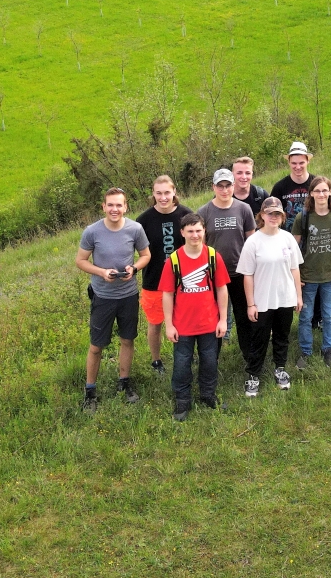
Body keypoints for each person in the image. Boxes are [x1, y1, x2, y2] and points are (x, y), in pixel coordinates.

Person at [75, 187, 151, 414]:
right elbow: (80, 260)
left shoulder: (135, 229)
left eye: (119, 205)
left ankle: (124, 383)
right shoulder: (92, 232)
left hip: (128, 295)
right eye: (111, 205)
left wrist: (134, 268)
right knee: (96, 345)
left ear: (126, 206)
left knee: (127, 340)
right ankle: (90, 392)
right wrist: (101, 272)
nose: (115, 209)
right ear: (104, 207)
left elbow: (146, 255)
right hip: (103, 296)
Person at [159, 213, 229, 421]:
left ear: (204, 231)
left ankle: (208, 395)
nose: (195, 235)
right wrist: (169, 325)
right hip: (183, 326)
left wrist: (223, 319)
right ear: (182, 233)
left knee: (209, 361)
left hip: (209, 323)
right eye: (190, 231)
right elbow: (167, 294)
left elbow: (222, 289)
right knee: (182, 363)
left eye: (198, 230)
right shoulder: (174, 260)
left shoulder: (213, 256)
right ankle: (182, 400)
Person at [235, 197, 304, 396]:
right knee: (259, 339)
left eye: (277, 214)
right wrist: (251, 304)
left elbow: (295, 269)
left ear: (282, 217)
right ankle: (253, 375)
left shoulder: (287, 238)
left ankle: (280, 369)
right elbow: (247, 275)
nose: (273, 217)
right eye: (269, 213)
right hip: (262, 300)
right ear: (262, 215)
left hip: (285, 297)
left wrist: (298, 296)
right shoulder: (253, 241)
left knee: (282, 337)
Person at [135, 176, 193, 375]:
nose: (163, 197)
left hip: (183, 281)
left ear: (174, 192)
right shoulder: (143, 220)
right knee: (155, 323)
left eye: (167, 192)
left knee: (185, 321)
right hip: (154, 281)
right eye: (158, 193)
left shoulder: (186, 215)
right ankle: (156, 361)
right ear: (153, 194)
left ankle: (185, 357)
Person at [197, 169, 256, 360]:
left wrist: (253, 270)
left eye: (228, 185)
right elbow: (200, 246)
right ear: (213, 187)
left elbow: (252, 242)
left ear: (234, 186)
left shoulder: (243, 209)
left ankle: (249, 356)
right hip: (214, 275)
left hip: (240, 272)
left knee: (243, 316)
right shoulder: (204, 212)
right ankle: (212, 358)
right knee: (215, 318)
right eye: (220, 186)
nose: (224, 190)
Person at [292, 177, 331, 369]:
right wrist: (295, 276)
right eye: (317, 191)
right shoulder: (304, 217)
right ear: (311, 194)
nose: (321, 194)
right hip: (307, 276)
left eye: (325, 191)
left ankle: (328, 349)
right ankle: (306, 351)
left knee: (329, 315)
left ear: (330, 192)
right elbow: (294, 246)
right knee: (305, 316)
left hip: (330, 275)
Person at [270, 141, 314, 233]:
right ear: (289, 162)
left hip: (313, 238)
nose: (298, 167)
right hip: (287, 239)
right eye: (294, 163)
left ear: (308, 161)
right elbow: (271, 215)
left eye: (301, 163)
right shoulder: (279, 187)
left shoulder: (317, 184)